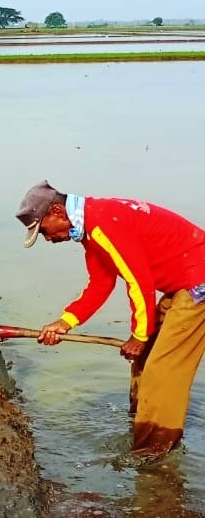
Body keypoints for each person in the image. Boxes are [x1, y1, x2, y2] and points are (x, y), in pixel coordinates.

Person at [15, 180, 205, 459]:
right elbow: (101, 284)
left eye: (43, 231)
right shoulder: (91, 230)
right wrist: (65, 322)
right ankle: (137, 424)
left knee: (162, 373)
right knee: (144, 359)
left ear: (57, 211)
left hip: (197, 285)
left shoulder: (103, 224)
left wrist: (139, 335)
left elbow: (138, 280)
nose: (48, 239)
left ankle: (153, 454)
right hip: (182, 285)